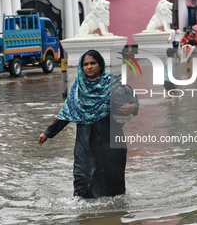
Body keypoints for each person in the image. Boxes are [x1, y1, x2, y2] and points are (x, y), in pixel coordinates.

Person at [37, 49, 139, 199]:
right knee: (81, 184)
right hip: (85, 145)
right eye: (86, 64)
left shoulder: (114, 84)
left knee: (114, 190)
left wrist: (133, 107)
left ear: (100, 65)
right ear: (81, 66)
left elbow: (133, 98)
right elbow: (66, 114)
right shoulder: (77, 89)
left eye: (93, 63)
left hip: (110, 144)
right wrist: (47, 133)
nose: (89, 67)